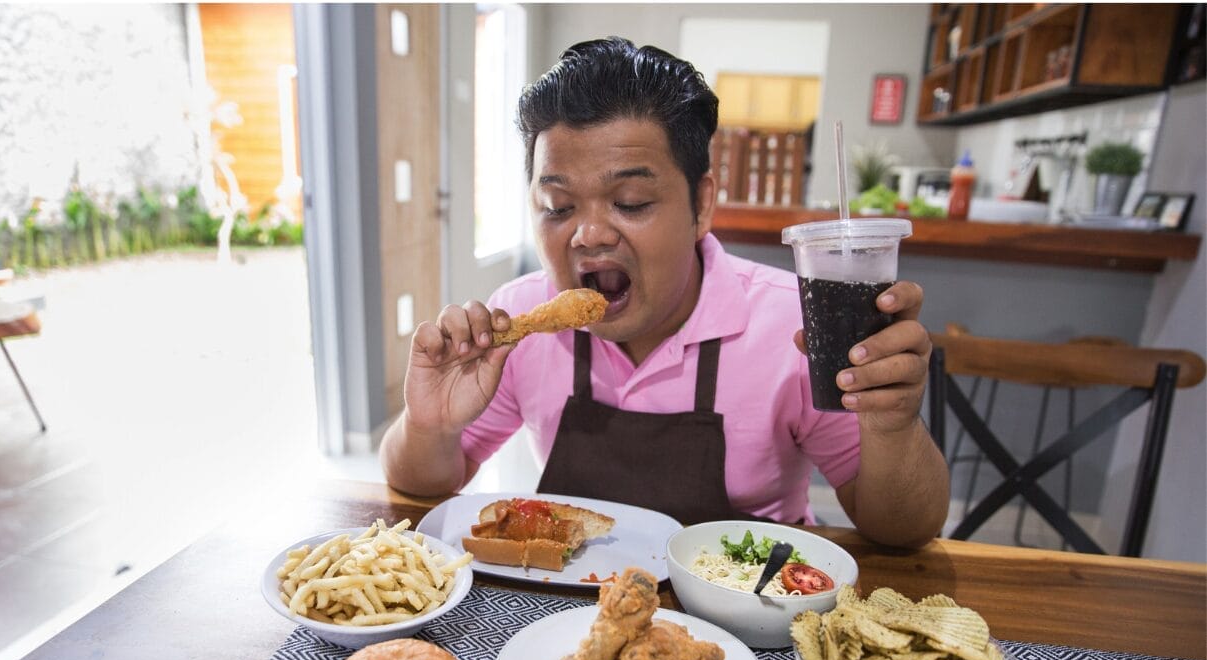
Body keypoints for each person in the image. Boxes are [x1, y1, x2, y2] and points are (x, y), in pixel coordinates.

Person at [380, 37, 949, 548]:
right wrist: (430, 425)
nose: (589, 233)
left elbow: (902, 531)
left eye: (630, 202)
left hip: (756, 610)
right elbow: (423, 483)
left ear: (701, 205)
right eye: (558, 207)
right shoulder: (521, 321)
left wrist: (892, 425)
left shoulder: (791, 327)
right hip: (572, 609)